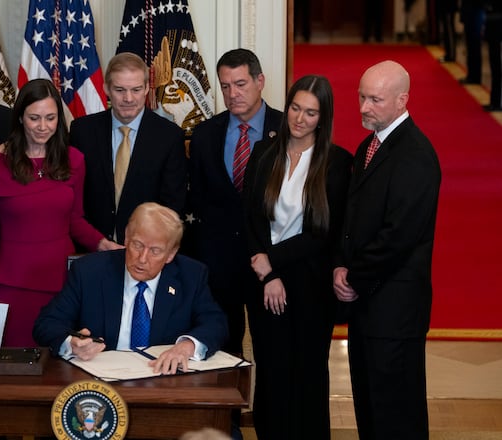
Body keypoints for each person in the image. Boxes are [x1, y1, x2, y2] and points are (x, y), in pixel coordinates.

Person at [333, 60, 441, 440]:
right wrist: (340, 267)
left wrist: (354, 278)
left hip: (394, 312)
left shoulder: (415, 155)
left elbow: (398, 235)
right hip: (370, 308)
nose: (364, 107)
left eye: (375, 100)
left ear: (402, 100)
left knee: (396, 413)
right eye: (362, 97)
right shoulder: (371, 144)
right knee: (371, 407)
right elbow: (354, 218)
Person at [243, 75, 352, 440]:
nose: (299, 118)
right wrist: (267, 273)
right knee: (272, 374)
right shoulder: (263, 153)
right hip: (264, 286)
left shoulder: (337, 163)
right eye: (294, 108)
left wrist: (272, 260)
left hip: (310, 287)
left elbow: (324, 232)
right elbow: (251, 217)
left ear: (323, 118)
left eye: (310, 112)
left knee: (307, 376)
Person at [0, 79, 121, 347]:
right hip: (11, 282)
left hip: (61, 281)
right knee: (16, 365)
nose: (43, 126)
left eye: (50, 118)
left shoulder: (74, 160)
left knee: (61, 362)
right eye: (34, 118)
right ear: (20, 117)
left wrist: (103, 244)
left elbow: (75, 219)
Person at [33, 203, 228, 374]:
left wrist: (187, 346)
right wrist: (71, 344)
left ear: (171, 254)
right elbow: (47, 323)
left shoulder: (191, 275)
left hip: (163, 381)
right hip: (100, 381)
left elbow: (216, 324)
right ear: (126, 238)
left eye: (155, 251)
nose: (142, 259)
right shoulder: (89, 272)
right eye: (137, 245)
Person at [187, 48, 283, 356]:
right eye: (225, 86)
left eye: (240, 84)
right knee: (222, 352)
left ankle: (267, 407)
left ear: (260, 81)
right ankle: (230, 407)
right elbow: (197, 201)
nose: (233, 93)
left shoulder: (286, 131)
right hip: (219, 266)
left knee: (272, 348)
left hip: (269, 263)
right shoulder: (204, 135)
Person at [69, 52, 187, 245]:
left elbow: (172, 205)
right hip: (90, 247)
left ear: (147, 88)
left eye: (136, 89)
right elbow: (72, 198)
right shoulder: (82, 132)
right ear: (106, 88)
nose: (128, 98)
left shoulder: (169, 136)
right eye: (120, 90)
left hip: (145, 250)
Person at [484, 1, 502, 111]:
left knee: (497, 66)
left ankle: (497, 101)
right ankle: (494, 100)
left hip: (498, 26)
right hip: (492, 25)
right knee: (494, 65)